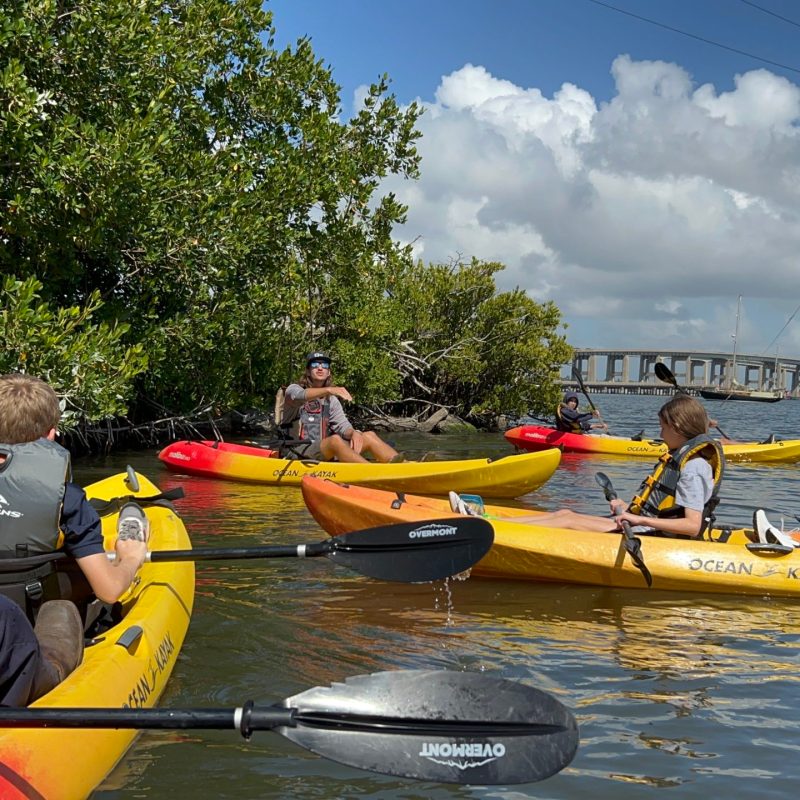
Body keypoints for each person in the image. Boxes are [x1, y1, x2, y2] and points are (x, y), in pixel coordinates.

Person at [0, 373, 149, 706]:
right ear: (51, 435)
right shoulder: (67, 499)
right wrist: (130, 558)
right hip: (21, 627)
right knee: (62, 609)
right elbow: (109, 589)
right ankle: (50, 668)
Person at [453, 395, 725, 539]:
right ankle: (491, 523)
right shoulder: (684, 458)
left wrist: (637, 519)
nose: (660, 432)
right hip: (647, 528)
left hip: (657, 538)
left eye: (663, 426)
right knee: (564, 512)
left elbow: (691, 526)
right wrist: (625, 508)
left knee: (568, 521)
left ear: (678, 427)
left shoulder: (694, 467)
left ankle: (488, 528)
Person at [280, 352, 401, 463]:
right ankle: (371, 472)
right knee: (335, 441)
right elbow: (301, 395)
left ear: (329, 372)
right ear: (307, 371)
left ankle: (402, 467)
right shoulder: (293, 390)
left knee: (369, 436)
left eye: (325, 365)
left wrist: (354, 433)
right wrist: (329, 389)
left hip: (324, 451)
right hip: (296, 452)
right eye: (315, 364)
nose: (320, 368)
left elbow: (342, 426)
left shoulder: (331, 400)